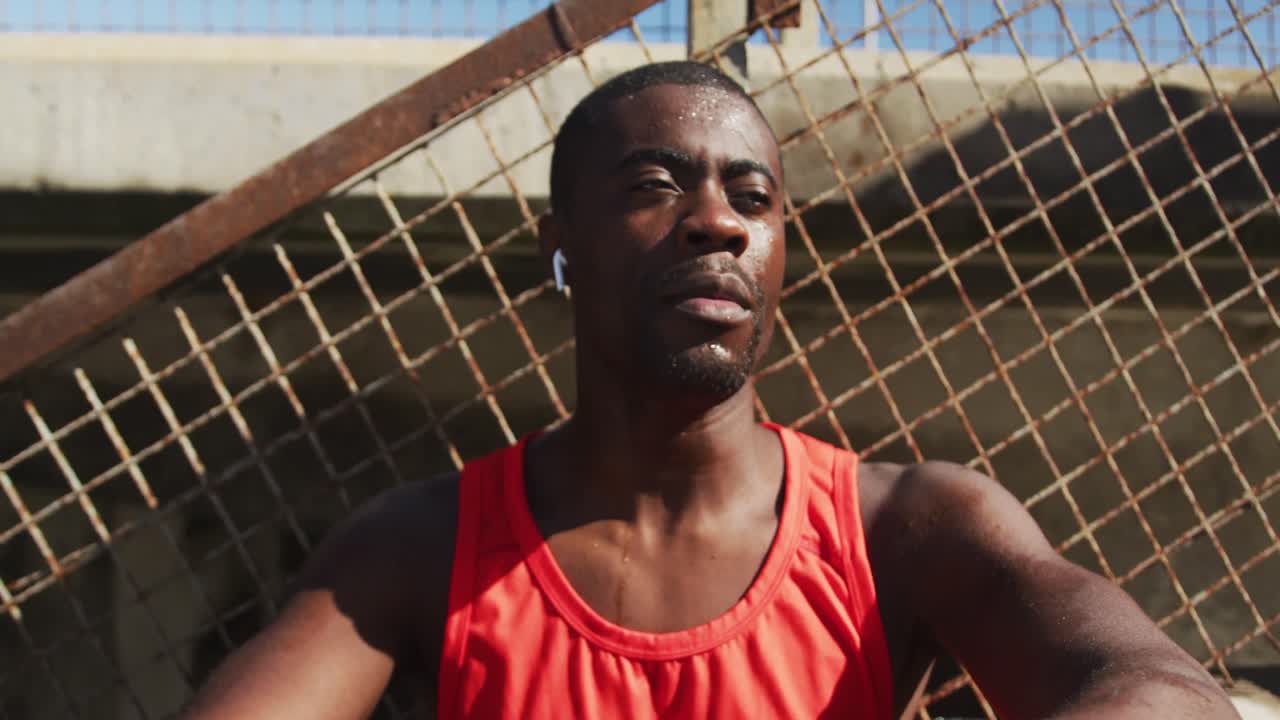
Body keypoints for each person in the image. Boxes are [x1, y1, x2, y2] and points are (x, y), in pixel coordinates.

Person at [183, 61, 1239, 719]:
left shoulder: (906, 526)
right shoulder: (422, 547)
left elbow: (1165, 695)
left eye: (752, 196)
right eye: (655, 185)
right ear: (558, 248)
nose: (718, 221)